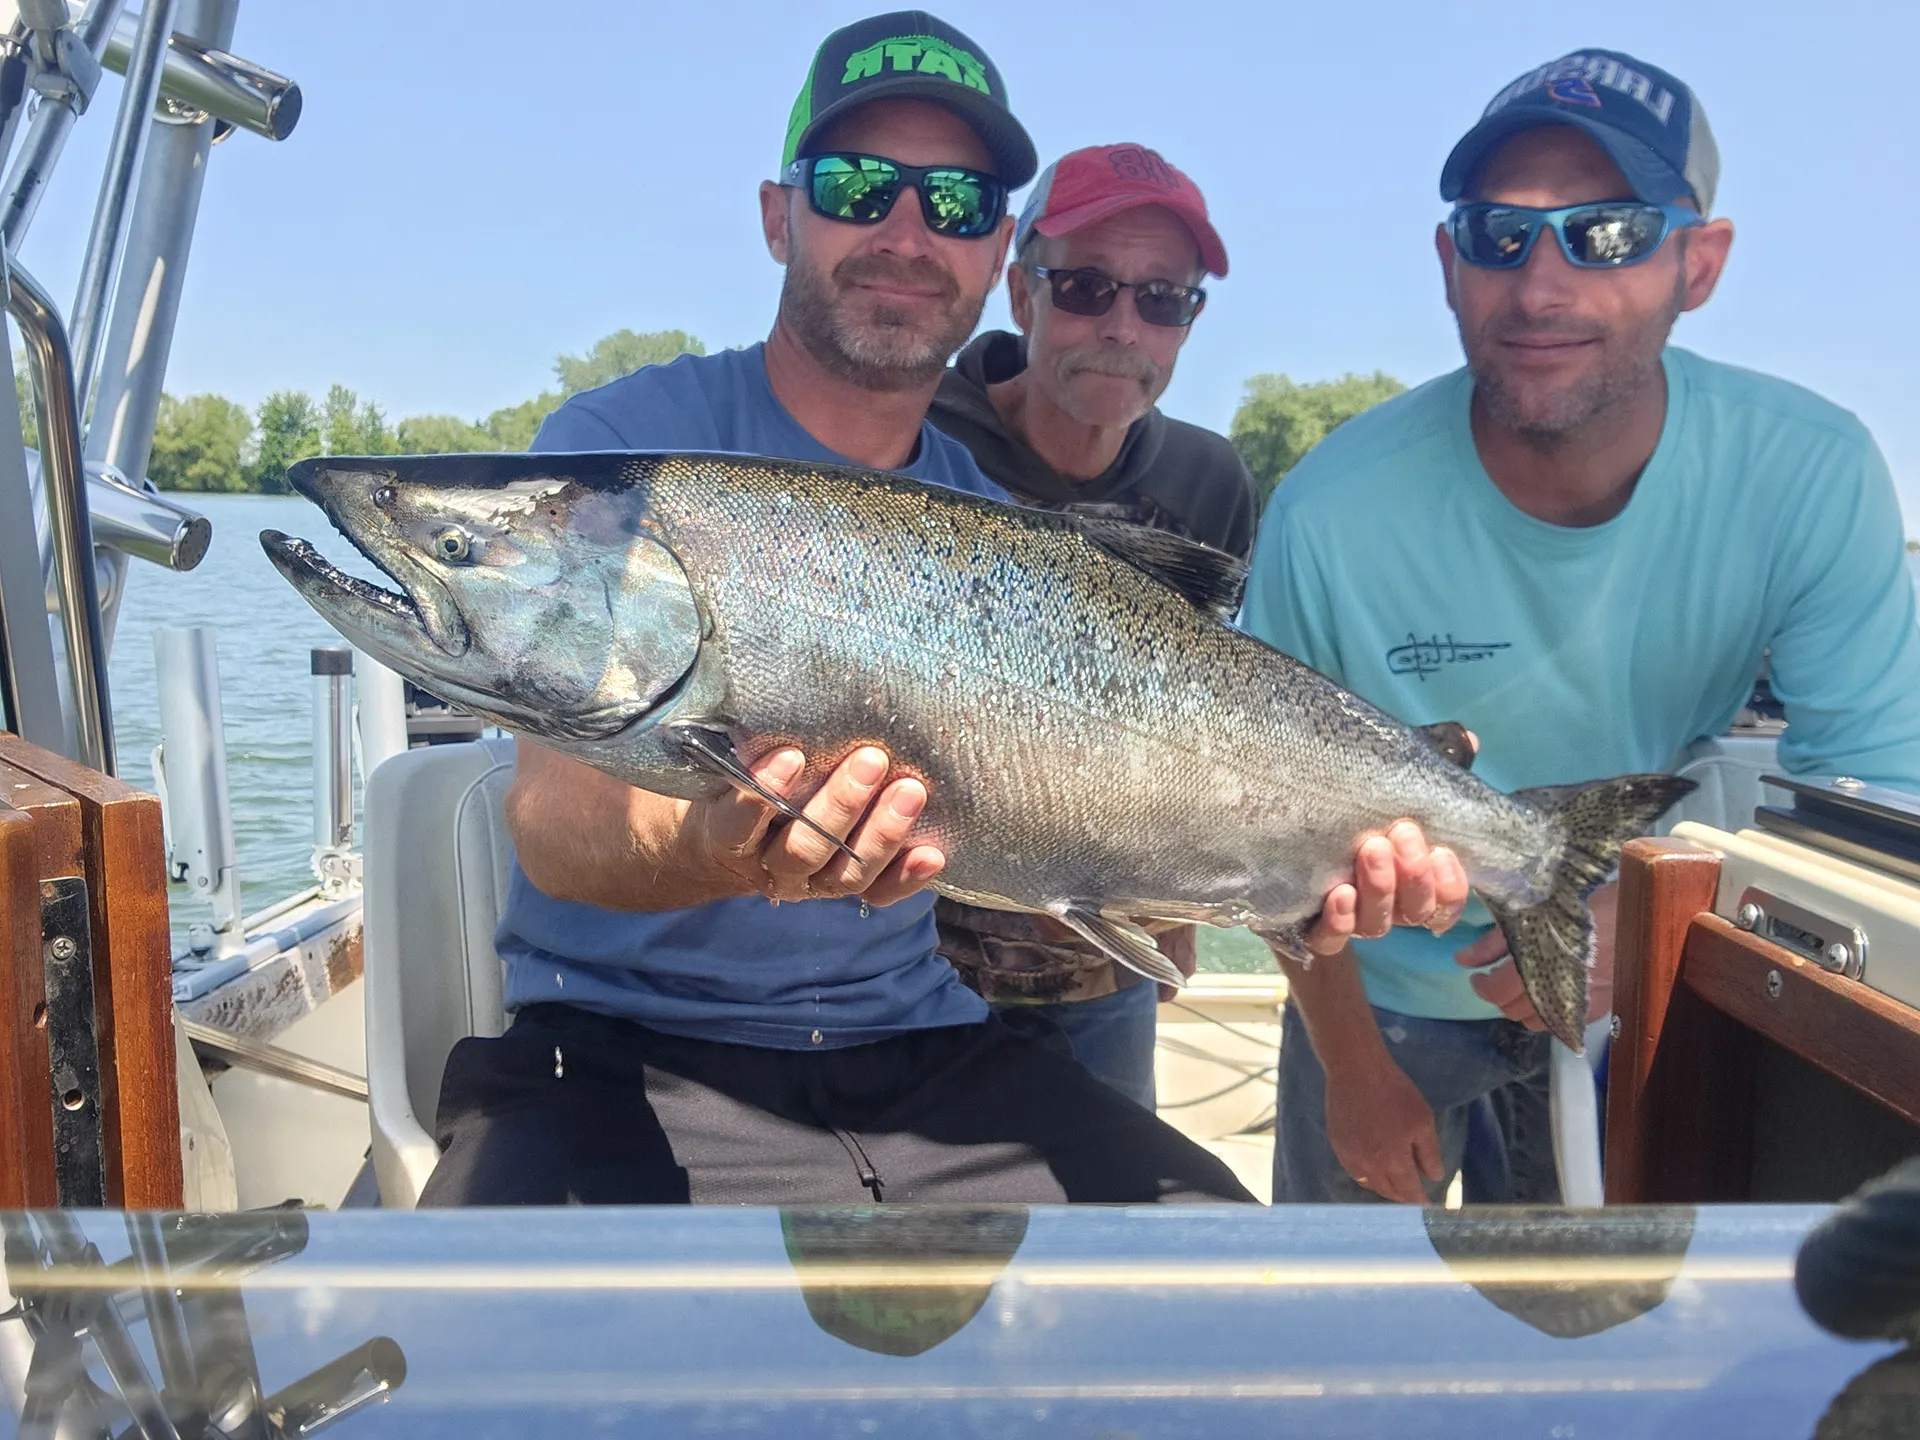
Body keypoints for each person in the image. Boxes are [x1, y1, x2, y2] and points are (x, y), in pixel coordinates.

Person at [419, 11, 1463, 1207]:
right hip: (622, 1051)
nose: (908, 233)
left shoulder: (996, 528)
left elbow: (1097, 826)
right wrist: (714, 846)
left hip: (924, 1050)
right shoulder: (619, 457)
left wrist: (1293, 882)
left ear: (996, 250)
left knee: (1223, 1271)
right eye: (858, 186)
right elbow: (554, 823)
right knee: (488, 1320)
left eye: (957, 203)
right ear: (779, 215)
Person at [1242, 48, 1920, 1207]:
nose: (1541, 288)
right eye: (1500, 234)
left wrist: (1657, 917)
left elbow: (1871, 794)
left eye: (1608, 233)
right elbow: (1264, 826)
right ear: (1449, 263)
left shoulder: (1812, 473)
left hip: (1643, 972)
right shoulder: (1329, 512)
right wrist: (1352, 1073)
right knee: (1345, 1301)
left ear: (1698, 264)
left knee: (1587, 1300)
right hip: (1378, 998)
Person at [928, 143, 1256, 1110]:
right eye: (1085, 287)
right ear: (1021, 294)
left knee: (1112, 1203)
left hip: (1103, 975)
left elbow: (1193, 722)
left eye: (1163, 299)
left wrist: (1177, 894)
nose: (1122, 327)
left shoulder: (1211, 482)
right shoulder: (916, 439)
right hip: (902, 966)